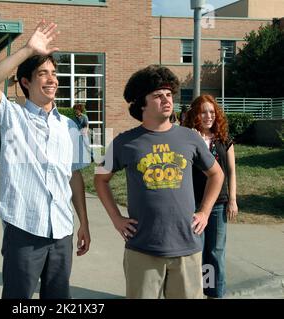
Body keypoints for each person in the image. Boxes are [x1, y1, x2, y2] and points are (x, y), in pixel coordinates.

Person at [0, 20, 91, 299]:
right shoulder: (13, 117)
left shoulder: (70, 126)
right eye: (43, 73)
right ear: (26, 82)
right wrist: (28, 50)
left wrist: (84, 223)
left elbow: (74, 177)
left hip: (62, 231)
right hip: (25, 229)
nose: (52, 79)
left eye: (54, 73)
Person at [94, 65, 224, 299]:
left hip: (187, 247)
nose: (166, 100)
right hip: (143, 248)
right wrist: (116, 218)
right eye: (157, 96)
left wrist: (204, 212)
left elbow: (217, 174)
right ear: (141, 104)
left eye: (168, 95)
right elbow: (100, 179)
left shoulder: (190, 137)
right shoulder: (125, 142)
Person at [183, 94, 238, 298]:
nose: (208, 116)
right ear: (196, 114)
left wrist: (232, 199)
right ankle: (196, 292)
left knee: (215, 253)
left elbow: (231, 171)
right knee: (196, 253)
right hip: (193, 204)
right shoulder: (187, 138)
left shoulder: (224, 139)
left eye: (212, 112)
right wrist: (194, 140)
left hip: (218, 204)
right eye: (203, 112)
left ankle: (213, 293)